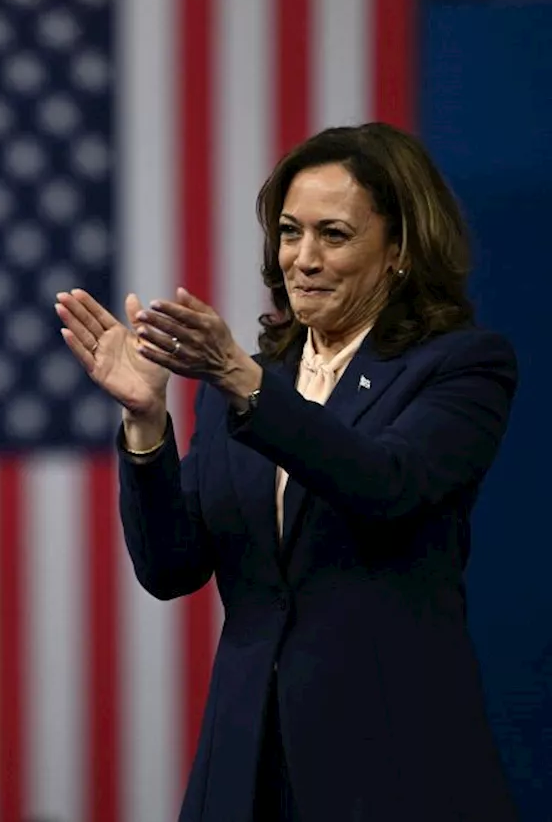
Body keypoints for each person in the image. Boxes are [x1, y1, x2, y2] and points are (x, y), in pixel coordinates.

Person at [55, 122, 518, 822]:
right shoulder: (247, 381)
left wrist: (243, 382)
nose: (303, 258)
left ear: (398, 250)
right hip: (246, 761)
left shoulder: (460, 366)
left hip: (389, 759)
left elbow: (385, 486)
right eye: (290, 232)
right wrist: (146, 421)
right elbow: (171, 566)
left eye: (333, 234)